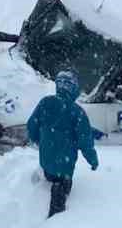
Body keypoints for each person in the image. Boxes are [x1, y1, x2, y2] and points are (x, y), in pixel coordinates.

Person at [26, 70, 99, 218]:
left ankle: (51, 186)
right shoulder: (77, 112)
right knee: (62, 184)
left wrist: (38, 140)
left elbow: (31, 125)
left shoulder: (45, 103)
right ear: (74, 89)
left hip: (46, 160)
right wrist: (93, 160)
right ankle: (57, 216)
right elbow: (85, 141)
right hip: (65, 166)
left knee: (51, 175)